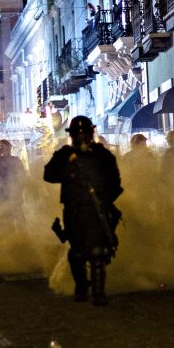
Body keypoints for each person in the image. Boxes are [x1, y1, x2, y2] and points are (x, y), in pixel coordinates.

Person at [44, 116, 122, 306]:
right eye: (77, 135)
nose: (81, 138)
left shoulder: (102, 156)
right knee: (77, 253)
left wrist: (104, 202)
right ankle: (82, 288)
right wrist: (63, 161)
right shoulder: (65, 155)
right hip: (75, 211)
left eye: (83, 135)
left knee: (97, 253)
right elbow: (49, 175)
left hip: (96, 211)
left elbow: (115, 184)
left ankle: (97, 292)